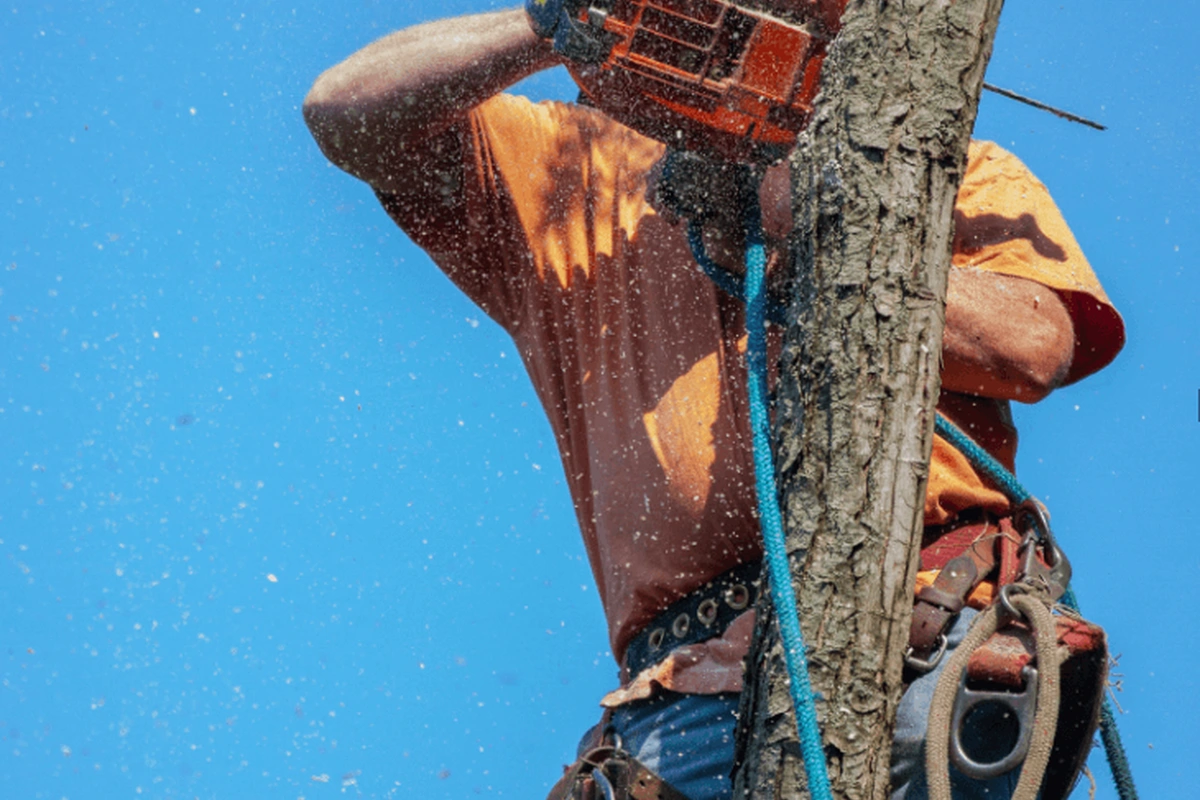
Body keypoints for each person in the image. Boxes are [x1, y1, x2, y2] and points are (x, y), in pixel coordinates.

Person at [302, 7, 1125, 799]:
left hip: (919, 622)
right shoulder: (569, 173)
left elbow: (1035, 344)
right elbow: (345, 112)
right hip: (680, 697)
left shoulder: (936, 169)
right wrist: (551, 22)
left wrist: (815, 228)